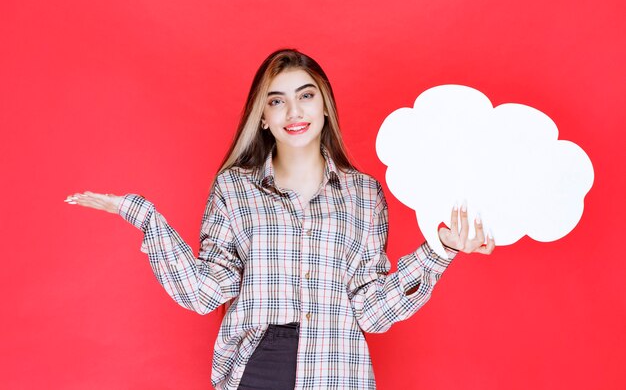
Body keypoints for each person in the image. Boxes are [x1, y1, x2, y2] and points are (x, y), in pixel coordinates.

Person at [65, 49, 495, 390]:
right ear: (265, 118)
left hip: (337, 371)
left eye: (306, 95)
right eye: (278, 101)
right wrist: (142, 215)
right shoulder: (235, 189)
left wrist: (441, 251)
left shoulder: (365, 195)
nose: (294, 111)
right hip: (258, 368)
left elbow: (371, 310)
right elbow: (204, 290)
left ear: (325, 106)